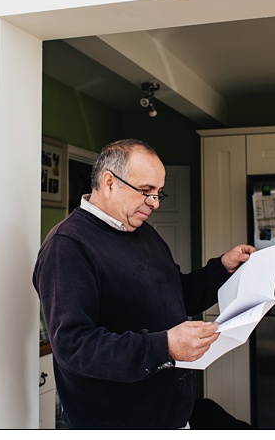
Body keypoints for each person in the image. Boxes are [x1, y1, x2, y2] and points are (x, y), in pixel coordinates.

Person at [33, 139, 257, 429]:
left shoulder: (142, 231)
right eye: (146, 191)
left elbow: (177, 296)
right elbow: (74, 346)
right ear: (110, 182)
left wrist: (221, 269)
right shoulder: (68, 246)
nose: (155, 203)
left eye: (158, 192)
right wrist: (165, 346)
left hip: (171, 418)